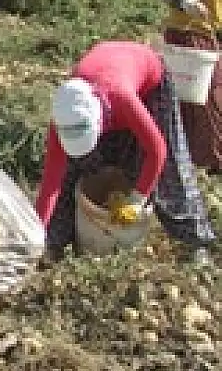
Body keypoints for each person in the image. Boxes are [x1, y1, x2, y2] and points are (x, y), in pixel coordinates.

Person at [34, 41, 216, 264]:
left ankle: (194, 242)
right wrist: (38, 232)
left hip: (149, 84)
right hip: (109, 77)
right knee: (73, 171)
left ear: (99, 121)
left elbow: (157, 150)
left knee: (171, 170)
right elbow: (51, 184)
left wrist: (136, 200)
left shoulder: (122, 98)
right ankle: (53, 243)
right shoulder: (64, 118)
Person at [159, 0, 222, 173]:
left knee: (215, 96)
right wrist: (185, 2)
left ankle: (205, 158)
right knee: (198, 100)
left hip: (212, 34)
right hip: (186, 35)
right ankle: (200, 160)